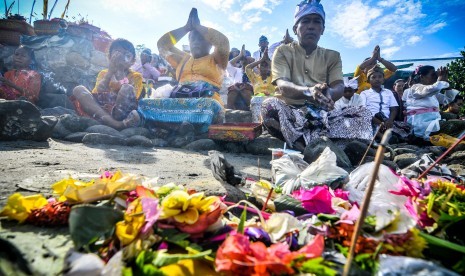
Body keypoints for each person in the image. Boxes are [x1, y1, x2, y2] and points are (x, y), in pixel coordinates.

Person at [261, 0, 373, 151]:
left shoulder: (332, 56)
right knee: (268, 106)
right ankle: (316, 147)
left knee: (363, 113)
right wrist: (309, 92)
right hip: (290, 113)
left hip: (322, 116)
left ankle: (306, 142)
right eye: (305, 21)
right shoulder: (282, 52)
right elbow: (283, 85)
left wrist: (329, 94)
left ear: (322, 29)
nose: (311, 26)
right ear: (296, 29)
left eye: (317, 22)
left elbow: (339, 85)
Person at [136, 8, 228, 134]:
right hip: (179, 98)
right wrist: (186, 28)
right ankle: (181, 128)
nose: (196, 42)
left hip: (204, 100)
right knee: (145, 103)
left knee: (210, 105)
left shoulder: (217, 59)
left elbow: (222, 42)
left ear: (211, 44)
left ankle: (169, 126)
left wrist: (198, 27)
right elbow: (162, 45)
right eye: (193, 39)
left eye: (201, 39)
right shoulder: (183, 59)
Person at [72, 38, 143, 130]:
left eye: (126, 55)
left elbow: (133, 97)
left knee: (127, 88)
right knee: (78, 89)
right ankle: (115, 124)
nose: (120, 58)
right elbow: (98, 92)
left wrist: (120, 71)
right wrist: (110, 72)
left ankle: (116, 121)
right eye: (117, 53)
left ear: (132, 61)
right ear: (110, 57)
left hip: (121, 110)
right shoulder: (104, 73)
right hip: (101, 110)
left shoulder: (136, 76)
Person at [404, 66, 464, 141]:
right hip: (422, 125)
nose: (435, 77)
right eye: (433, 75)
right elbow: (430, 89)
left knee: (460, 126)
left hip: (433, 123)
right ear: (422, 77)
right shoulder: (415, 88)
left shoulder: (432, 93)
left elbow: (447, 99)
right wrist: (440, 79)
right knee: (461, 125)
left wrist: (446, 83)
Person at [360, 66, 400, 134]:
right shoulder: (364, 93)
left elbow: (394, 109)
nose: (377, 79)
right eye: (374, 77)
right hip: (371, 121)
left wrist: (390, 121)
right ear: (368, 80)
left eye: (380, 77)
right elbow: (363, 111)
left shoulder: (388, 92)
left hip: (387, 122)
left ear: (383, 79)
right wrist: (379, 123)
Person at [246, 48, 275, 122]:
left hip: (271, 99)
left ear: (269, 67)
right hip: (257, 100)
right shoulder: (255, 78)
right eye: (262, 65)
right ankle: (257, 124)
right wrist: (261, 60)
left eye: (266, 66)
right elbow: (248, 68)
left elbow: (277, 68)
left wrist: (268, 60)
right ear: (259, 67)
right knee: (256, 99)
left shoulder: (273, 77)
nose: (264, 68)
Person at [226, 45, 254, 110]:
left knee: (246, 90)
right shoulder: (237, 70)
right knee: (232, 91)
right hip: (236, 89)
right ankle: (229, 111)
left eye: (246, 60)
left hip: (248, 91)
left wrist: (245, 86)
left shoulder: (254, 70)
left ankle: (252, 109)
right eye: (242, 60)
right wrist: (239, 56)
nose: (244, 61)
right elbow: (228, 65)